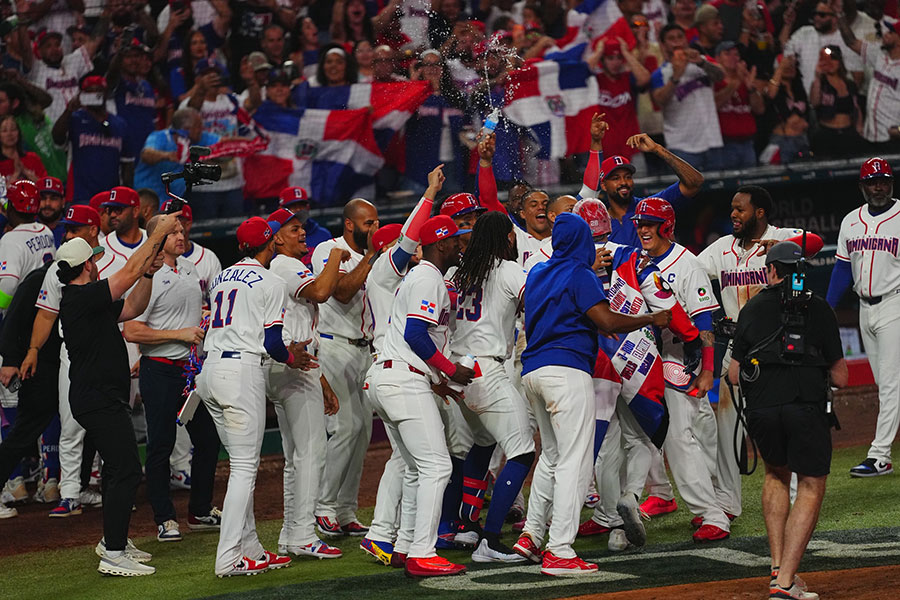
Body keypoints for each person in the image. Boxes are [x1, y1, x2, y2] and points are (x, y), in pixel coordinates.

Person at [512, 212, 670, 575]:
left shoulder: (537, 273)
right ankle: (560, 551)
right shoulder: (579, 273)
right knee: (575, 462)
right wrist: (650, 319)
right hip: (566, 372)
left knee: (551, 457)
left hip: (533, 372)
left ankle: (532, 535)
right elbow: (607, 321)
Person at [56, 210, 182, 576]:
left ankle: (116, 540)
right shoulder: (81, 298)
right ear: (86, 266)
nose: (98, 262)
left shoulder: (88, 299)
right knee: (127, 468)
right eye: (94, 259)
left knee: (117, 470)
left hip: (101, 396)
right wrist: (154, 237)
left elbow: (133, 306)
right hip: (97, 398)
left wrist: (149, 272)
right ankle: (112, 552)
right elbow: (125, 275)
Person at [728, 241, 847, 600]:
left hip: (762, 410)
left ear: (771, 271)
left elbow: (734, 375)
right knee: (811, 485)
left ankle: (778, 569)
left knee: (775, 474)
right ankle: (783, 586)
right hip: (805, 408)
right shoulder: (820, 308)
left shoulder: (751, 308)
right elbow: (841, 377)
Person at [698, 186, 824, 523]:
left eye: (740, 209)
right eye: (732, 209)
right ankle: (726, 503)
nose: (734, 215)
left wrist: (784, 248)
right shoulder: (723, 249)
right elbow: (692, 271)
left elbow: (816, 243)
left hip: (776, 351)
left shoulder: (779, 237)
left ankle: (797, 498)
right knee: (727, 429)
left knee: (786, 427)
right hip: (737, 349)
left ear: (760, 213)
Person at [195, 216, 309, 577]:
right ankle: (229, 558)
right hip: (240, 373)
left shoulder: (221, 276)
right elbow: (274, 344)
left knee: (239, 466)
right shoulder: (272, 281)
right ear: (270, 243)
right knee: (244, 469)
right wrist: (295, 358)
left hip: (210, 372)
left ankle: (252, 550)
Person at [369, 214, 475, 577]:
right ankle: (422, 553)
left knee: (416, 468)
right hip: (402, 380)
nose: (460, 244)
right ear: (440, 244)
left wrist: (438, 380)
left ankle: (403, 546)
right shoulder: (429, 276)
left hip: (391, 377)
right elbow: (415, 333)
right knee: (437, 466)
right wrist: (449, 369)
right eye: (456, 239)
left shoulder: (420, 276)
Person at [631, 197, 731, 542]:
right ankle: (715, 503)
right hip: (648, 358)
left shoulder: (686, 263)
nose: (643, 229)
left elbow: (705, 320)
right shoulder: (636, 261)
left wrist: (707, 370)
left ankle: (713, 514)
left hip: (680, 358)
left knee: (679, 437)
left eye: (649, 223)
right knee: (686, 434)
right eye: (639, 223)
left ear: (666, 226)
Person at [359, 168, 443, 569]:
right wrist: (428, 194)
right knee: (416, 462)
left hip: (388, 367)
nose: (408, 244)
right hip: (397, 367)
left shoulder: (403, 278)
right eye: (396, 241)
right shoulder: (382, 270)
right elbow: (411, 236)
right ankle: (384, 535)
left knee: (408, 462)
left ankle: (398, 540)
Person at [20, 205, 125, 519]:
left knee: (115, 423)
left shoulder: (119, 257)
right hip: (74, 352)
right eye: (66, 228)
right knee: (71, 425)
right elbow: (46, 313)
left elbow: (133, 307)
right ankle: (70, 493)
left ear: (93, 229)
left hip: (115, 347)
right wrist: (34, 349)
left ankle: (110, 488)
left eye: (74, 228)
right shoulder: (62, 265)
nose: (66, 233)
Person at [121, 215, 221, 544]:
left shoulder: (190, 268)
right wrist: (180, 334)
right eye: (172, 232)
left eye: (181, 230)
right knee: (160, 446)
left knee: (207, 440)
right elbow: (132, 329)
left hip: (190, 372)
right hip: (160, 370)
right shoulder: (148, 274)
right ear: (156, 238)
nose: (180, 235)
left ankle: (200, 509)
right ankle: (164, 518)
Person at [450, 211, 532, 563]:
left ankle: (468, 525)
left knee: (482, 444)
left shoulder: (457, 273)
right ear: (509, 238)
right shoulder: (509, 269)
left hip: (457, 370)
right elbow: (537, 304)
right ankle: (491, 541)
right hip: (488, 368)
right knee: (522, 452)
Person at [265, 207, 346, 560]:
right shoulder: (285, 265)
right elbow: (324, 290)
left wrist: (323, 381)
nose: (302, 234)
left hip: (292, 363)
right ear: (277, 238)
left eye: (302, 228)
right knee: (312, 452)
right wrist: (333, 257)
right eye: (293, 229)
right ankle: (301, 534)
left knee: (296, 457)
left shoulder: (279, 266)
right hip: (292, 366)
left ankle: (291, 533)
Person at [827, 157, 900, 477]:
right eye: (872, 181)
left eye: (883, 180)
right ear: (862, 186)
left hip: (895, 305)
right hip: (864, 309)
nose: (878, 186)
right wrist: (826, 306)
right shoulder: (850, 221)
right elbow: (843, 269)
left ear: (891, 183)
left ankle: (879, 455)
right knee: (887, 382)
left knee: (889, 384)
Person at [312, 198, 380, 538]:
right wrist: (371, 254)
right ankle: (323, 507)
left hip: (364, 350)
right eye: (368, 223)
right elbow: (340, 292)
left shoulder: (374, 256)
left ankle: (345, 510)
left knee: (362, 433)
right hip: (334, 345)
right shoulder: (329, 248)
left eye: (376, 222)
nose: (374, 229)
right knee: (344, 428)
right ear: (350, 224)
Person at [580, 114, 705, 249]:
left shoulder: (650, 206)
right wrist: (596, 141)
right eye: (616, 178)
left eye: (628, 176)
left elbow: (695, 182)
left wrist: (657, 149)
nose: (624, 182)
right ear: (603, 185)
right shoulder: (597, 221)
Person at [0, 259, 60, 519]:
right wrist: (12, 360)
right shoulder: (39, 279)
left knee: (82, 429)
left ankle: (73, 489)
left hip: (66, 367)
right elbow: (11, 321)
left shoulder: (84, 278)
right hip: (37, 368)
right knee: (25, 432)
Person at [650, 24, 726, 171]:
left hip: (712, 141)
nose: (677, 42)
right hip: (682, 146)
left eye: (680, 37)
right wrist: (676, 76)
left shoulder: (701, 61)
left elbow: (721, 75)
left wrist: (701, 62)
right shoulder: (661, 73)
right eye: (671, 39)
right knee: (685, 192)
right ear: (664, 45)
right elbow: (660, 100)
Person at [52, 76, 135, 204]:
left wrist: (125, 198)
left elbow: (127, 165)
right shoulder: (75, 119)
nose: (94, 95)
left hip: (110, 199)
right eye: (89, 92)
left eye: (98, 91)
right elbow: (57, 138)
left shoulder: (120, 124)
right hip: (80, 195)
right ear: (83, 95)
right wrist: (69, 109)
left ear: (106, 93)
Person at [837, 13, 900, 153]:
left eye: (890, 32)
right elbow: (851, 42)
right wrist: (840, 15)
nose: (885, 34)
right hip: (870, 136)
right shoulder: (879, 54)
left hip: (892, 141)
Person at [134, 107, 220, 204]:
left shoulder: (198, 138)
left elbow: (224, 142)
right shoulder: (160, 137)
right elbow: (146, 154)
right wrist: (168, 156)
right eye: (198, 126)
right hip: (149, 198)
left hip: (173, 199)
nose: (201, 129)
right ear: (186, 129)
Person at [0, 181, 55, 320]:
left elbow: (9, 285)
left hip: (19, 316)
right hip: (43, 308)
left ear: (11, 207)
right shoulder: (46, 231)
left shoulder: (11, 239)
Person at [783, 1, 863, 94]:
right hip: (806, 100)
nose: (817, 18)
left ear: (835, 18)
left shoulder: (845, 40)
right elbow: (784, 48)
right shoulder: (804, 32)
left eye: (822, 15)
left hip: (834, 102)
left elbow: (858, 75)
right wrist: (788, 24)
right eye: (815, 14)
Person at [808, 45, 867, 158]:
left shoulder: (850, 84)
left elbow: (857, 108)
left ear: (839, 61)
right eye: (826, 59)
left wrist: (859, 129)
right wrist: (817, 77)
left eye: (833, 58)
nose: (830, 62)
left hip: (848, 134)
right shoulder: (820, 84)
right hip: (826, 135)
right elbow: (814, 102)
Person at [713, 41, 764, 169]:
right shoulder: (713, 82)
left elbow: (759, 109)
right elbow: (715, 105)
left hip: (748, 142)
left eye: (736, 54)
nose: (733, 57)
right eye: (727, 54)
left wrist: (750, 87)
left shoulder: (746, 80)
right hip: (725, 144)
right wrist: (737, 81)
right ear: (717, 58)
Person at [275, 187, 331, 267]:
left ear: (308, 208)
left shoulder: (323, 235)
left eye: (302, 206)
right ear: (281, 209)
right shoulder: (275, 239)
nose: (298, 210)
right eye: (293, 206)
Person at [101, 187, 147, 261]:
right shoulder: (102, 247)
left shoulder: (152, 241)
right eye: (109, 210)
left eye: (118, 210)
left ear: (135, 211)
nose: (112, 215)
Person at [0, 114, 47, 183]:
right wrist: (16, 174)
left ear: (19, 132)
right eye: (4, 131)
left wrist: (27, 173)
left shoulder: (33, 159)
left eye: (13, 129)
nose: (9, 134)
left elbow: (46, 188)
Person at [37, 176, 66, 247]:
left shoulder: (71, 230)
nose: (47, 203)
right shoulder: (26, 228)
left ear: (63, 202)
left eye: (53, 199)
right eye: (42, 198)